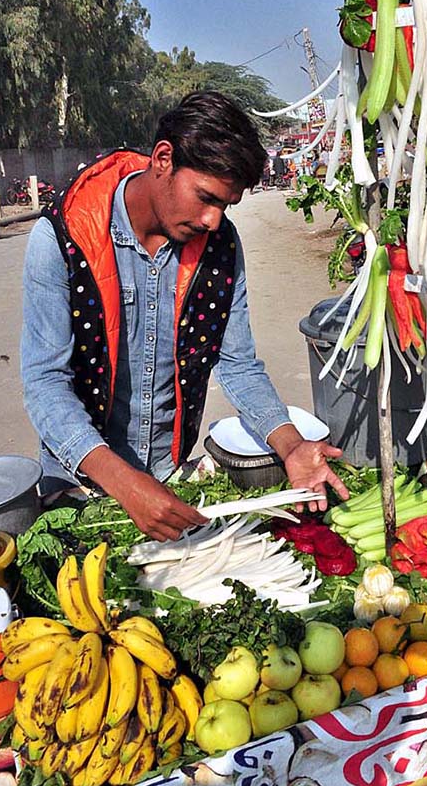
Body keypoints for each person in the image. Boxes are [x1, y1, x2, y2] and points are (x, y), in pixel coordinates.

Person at [21, 91, 348, 541]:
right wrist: (123, 483)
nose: (214, 220)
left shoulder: (219, 248)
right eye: (206, 197)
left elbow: (237, 364)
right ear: (162, 158)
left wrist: (291, 445)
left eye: (226, 206)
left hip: (166, 476)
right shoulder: (62, 237)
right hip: (76, 484)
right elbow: (44, 383)